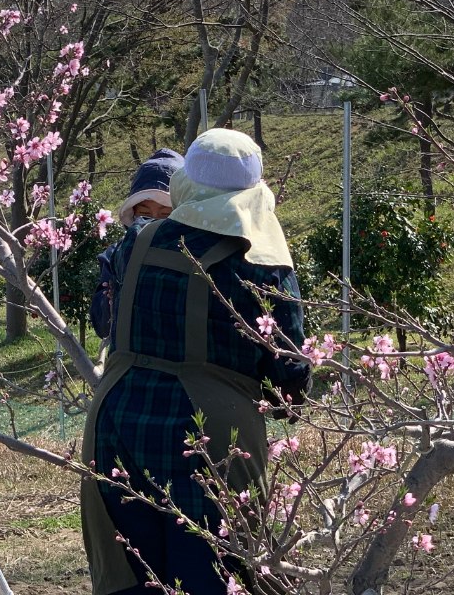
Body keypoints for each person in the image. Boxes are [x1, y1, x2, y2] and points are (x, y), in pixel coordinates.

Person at [81, 128, 310, 595]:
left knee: (134, 574)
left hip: (117, 422)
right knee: (215, 574)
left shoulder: (135, 243)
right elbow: (289, 376)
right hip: (209, 436)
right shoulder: (261, 263)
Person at [89, 149, 184, 341]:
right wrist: (110, 299)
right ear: (133, 215)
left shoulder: (194, 253)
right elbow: (102, 327)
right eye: (145, 215)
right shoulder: (116, 254)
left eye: (166, 214)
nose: (153, 222)